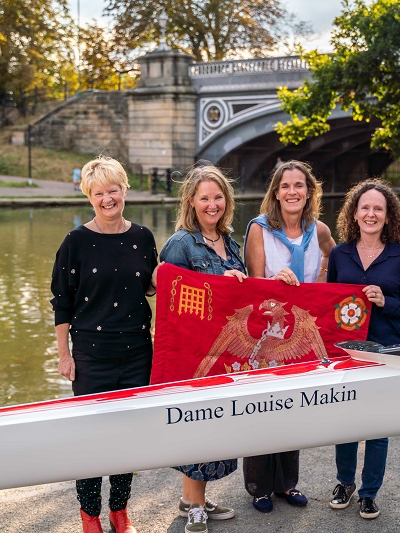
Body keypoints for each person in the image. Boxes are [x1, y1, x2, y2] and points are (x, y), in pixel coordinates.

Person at [50, 156, 158, 533]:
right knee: (92, 440)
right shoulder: (76, 242)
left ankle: (119, 511)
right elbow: (62, 301)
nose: (107, 199)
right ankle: (89, 515)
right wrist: (64, 355)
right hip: (91, 355)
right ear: (89, 197)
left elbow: (151, 285)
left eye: (114, 190)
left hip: (136, 351)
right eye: (99, 193)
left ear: (125, 190)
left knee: (128, 437)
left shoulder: (143, 238)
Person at [326, 178, 400, 520]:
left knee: (378, 425)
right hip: (348, 351)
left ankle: (369, 493)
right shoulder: (340, 254)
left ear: (388, 215)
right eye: (365, 207)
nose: (371, 214)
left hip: (388, 350)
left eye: (378, 209)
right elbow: (329, 302)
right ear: (354, 214)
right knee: (346, 421)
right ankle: (344, 482)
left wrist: (387, 302)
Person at [241, 160, 335, 513]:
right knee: (262, 406)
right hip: (269, 333)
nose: (292, 192)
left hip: (301, 337)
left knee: (293, 407)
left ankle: (287, 484)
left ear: (309, 191)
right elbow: (251, 287)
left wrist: (322, 278)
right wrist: (273, 281)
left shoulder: (320, 230)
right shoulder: (259, 230)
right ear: (276, 193)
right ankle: (260, 486)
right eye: (285, 186)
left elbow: (335, 259)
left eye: (299, 185)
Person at [159, 163, 245, 533]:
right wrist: (216, 283)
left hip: (226, 356)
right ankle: (191, 505)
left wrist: (272, 282)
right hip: (194, 354)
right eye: (205, 198)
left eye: (218, 197)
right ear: (191, 201)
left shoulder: (232, 243)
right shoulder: (181, 244)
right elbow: (169, 297)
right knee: (197, 425)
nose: (212, 204)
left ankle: (196, 498)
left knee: (218, 427)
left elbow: (246, 297)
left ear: (226, 200)